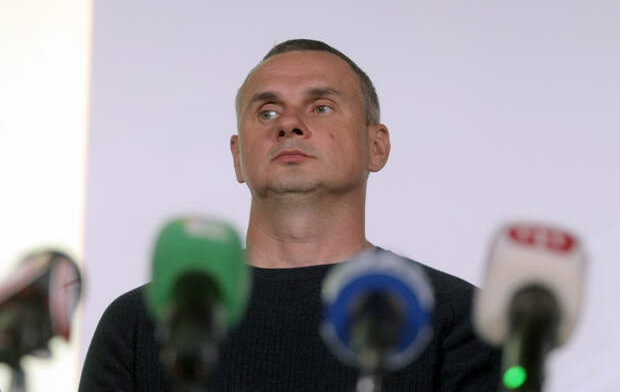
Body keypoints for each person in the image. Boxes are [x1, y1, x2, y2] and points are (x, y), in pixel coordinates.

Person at [79, 39, 501, 391]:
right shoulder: (142, 323)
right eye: (267, 112)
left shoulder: (456, 317)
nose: (289, 124)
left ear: (377, 146)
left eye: (321, 107)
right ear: (238, 156)